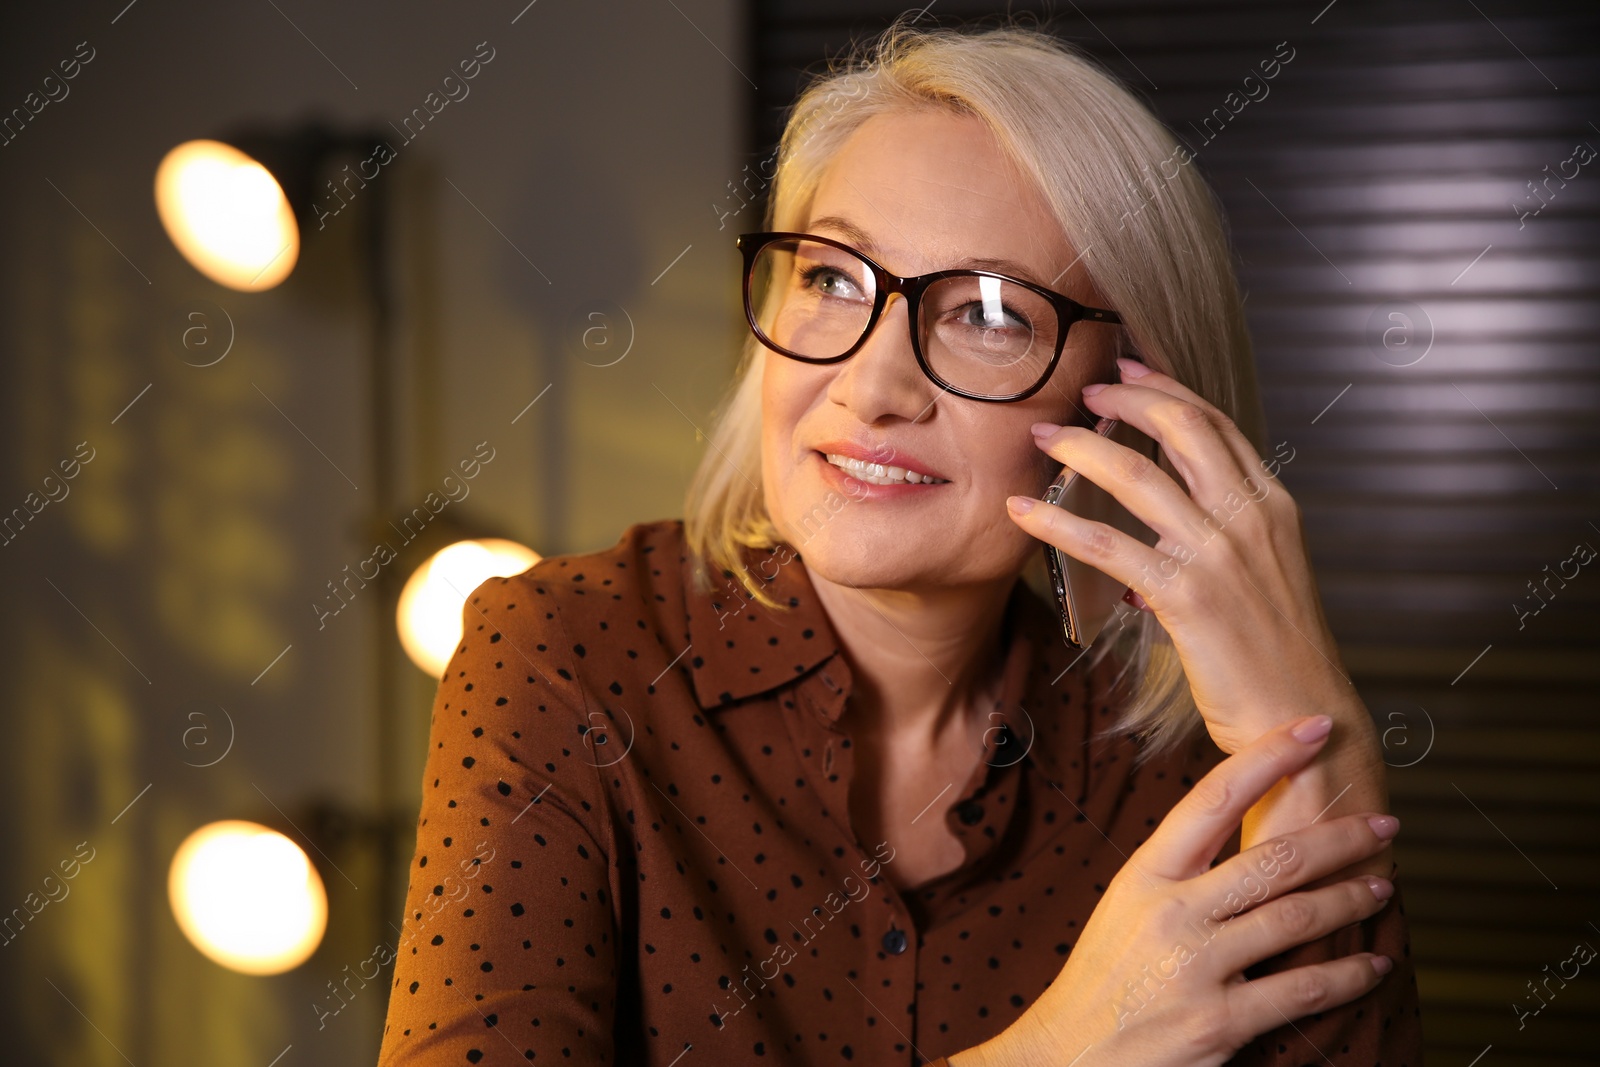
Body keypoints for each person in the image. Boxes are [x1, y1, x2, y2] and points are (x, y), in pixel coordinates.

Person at [376, 19, 1421, 1066]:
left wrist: (1315, 724)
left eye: (990, 313)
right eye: (832, 279)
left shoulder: (1184, 766)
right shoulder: (563, 650)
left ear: (1130, 400)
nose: (871, 387)